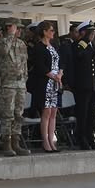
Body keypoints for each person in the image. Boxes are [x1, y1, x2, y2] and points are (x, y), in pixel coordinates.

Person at [0, 18, 32, 157]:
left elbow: (25, 65)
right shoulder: (1, 42)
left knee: (18, 115)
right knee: (7, 115)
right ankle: (7, 144)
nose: (19, 31)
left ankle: (16, 142)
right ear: (9, 28)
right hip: (7, 84)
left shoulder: (21, 44)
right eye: (17, 28)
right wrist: (9, 35)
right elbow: (3, 52)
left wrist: (25, 81)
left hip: (20, 84)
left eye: (20, 28)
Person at [28, 21, 64, 152]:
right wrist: (52, 75)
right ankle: (45, 141)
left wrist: (60, 73)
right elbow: (39, 66)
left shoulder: (54, 45)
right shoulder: (39, 47)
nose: (53, 32)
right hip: (45, 83)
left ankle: (51, 139)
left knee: (54, 111)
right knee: (46, 112)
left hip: (55, 83)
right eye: (51, 30)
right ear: (44, 32)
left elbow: (60, 61)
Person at [70, 20, 95, 150]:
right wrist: (84, 42)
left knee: (93, 114)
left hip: (93, 85)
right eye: (90, 32)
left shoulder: (92, 46)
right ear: (83, 32)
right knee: (83, 114)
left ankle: (90, 137)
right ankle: (81, 138)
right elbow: (78, 57)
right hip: (83, 86)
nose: (93, 34)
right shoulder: (79, 45)